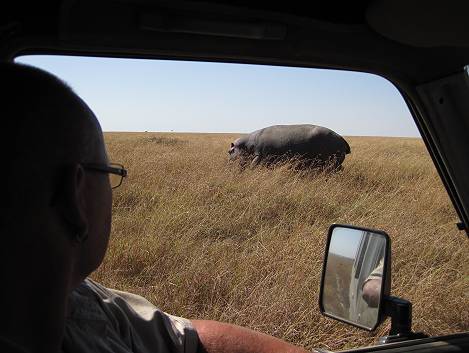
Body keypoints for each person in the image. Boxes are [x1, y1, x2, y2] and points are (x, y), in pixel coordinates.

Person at [0, 62, 309, 353]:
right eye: (110, 173)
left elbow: (183, 337)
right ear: (74, 196)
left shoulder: (81, 299)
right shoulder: (81, 302)